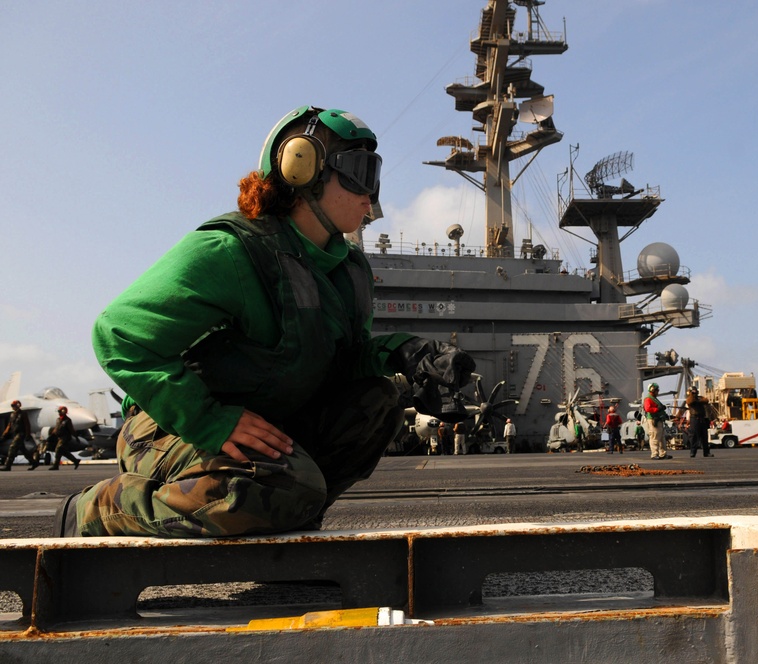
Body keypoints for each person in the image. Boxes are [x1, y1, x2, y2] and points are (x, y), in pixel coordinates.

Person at [59, 105, 474, 538]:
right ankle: (99, 509)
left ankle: (288, 520)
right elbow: (118, 333)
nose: (370, 192)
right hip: (169, 427)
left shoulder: (349, 271)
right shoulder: (232, 251)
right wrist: (210, 420)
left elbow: (339, 366)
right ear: (301, 169)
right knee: (285, 485)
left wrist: (406, 353)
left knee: (377, 403)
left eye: (374, 174)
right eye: (357, 172)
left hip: (262, 420)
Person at [1, 400, 39, 471]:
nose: (13, 407)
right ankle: (34, 463)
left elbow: (27, 424)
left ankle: (7, 466)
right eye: (12, 406)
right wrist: (4, 434)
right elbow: (9, 425)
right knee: (24, 450)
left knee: (12, 448)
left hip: (21, 434)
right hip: (15, 434)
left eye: (14, 405)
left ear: (18, 405)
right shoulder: (12, 414)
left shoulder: (23, 414)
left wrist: (28, 434)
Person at [642, 383, 672, 460]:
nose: (658, 392)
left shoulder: (654, 398)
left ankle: (663, 454)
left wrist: (663, 411)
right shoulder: (648, 399)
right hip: (653, 420)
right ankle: (654, 454)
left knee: (662, 438)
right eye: (657, 390)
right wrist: (658, 409)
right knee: (654, 437)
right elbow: (648, 409)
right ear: (653, 390)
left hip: (659, 420)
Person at [47, 405, 81, 470]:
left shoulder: (67, 420)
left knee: (58, 449)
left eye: (60, 411)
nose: (59, 413)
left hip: (65, 438)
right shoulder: (58, 420)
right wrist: (51, 435)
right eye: (58, 411)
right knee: (63, 452)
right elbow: (56, 428)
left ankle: (55, 466)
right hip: (59, 438)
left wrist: (76, 437)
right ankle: (75, 461)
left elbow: (71, 430)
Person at [686, 386, 713, 458]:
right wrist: (692, 395)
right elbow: (690, 402)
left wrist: (698, 400)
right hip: (694, 419)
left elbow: (706, 400)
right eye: (693, 392)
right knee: (694, 436)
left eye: (695, 391)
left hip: (702, 418)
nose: (695, 393)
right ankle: (693, 452)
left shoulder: (700, 398)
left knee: (704, 436)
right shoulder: (690, 398)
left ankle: (706, 452)